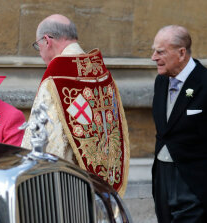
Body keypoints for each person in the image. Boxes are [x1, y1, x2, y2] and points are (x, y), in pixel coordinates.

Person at [21, 14, 130, 197]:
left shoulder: (56, 77)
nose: (40, 54)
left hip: (70, 187)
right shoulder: (102, 74)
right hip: (102, 184)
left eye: (37, 46)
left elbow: (45, 137)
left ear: (47, 40)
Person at [151, 25, 207, 223]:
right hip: (162, 177)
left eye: (160, 52)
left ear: (181, 53)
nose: (153, 57)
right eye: (154, 51)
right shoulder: (161, 81)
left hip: (194, 184)